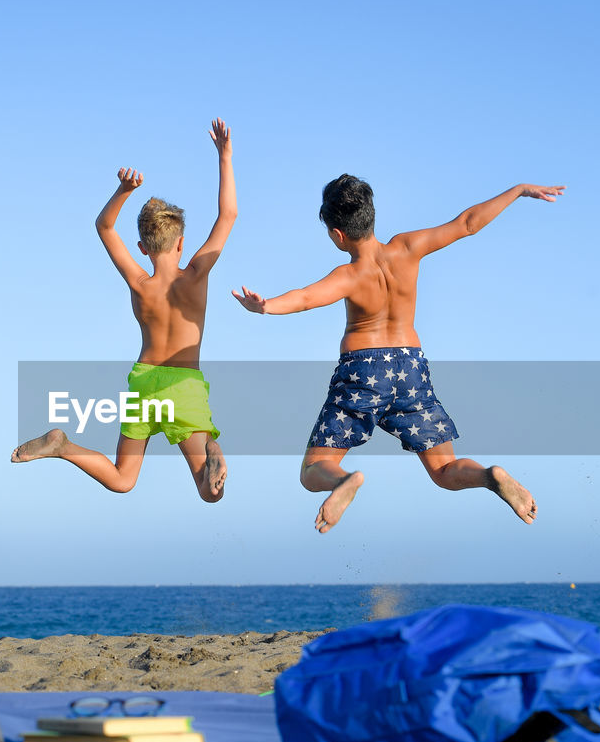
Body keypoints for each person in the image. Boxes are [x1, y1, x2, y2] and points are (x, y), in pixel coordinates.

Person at [233, 174, 563, 531]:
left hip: (362, 373)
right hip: (410, 368)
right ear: (371, 216)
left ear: (337, 234)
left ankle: (343, 481)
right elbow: (468, 224)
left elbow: (305, 297)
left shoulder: (349, 274)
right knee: (443, 471)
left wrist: (265, 307)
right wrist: (517, 191)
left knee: (313, 469)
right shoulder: (407, 248)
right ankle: (488, 476)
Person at [12, 119, 236, 502]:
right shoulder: (196, 275)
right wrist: (224, 156)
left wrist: (123, 190)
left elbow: (104, 226)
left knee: (122, 479)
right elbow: (227, 216)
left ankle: (63, 445)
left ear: (143, 248)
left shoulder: (139, 282)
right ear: (181, 244)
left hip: (144, 382)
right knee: (209, 492)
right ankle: (211, 448)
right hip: (183, 384)